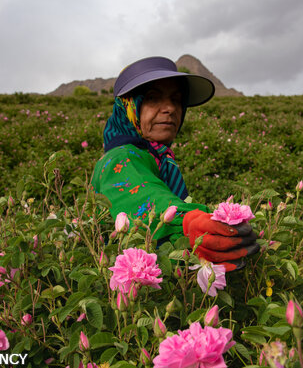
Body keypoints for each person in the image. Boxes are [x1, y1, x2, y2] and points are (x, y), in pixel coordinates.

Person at [91, 56, 259, 271]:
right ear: (129, 107)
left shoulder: (157, 157)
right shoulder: (122, 157)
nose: (170, 108)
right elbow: (141, 192)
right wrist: (188, 222)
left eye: (176, 100)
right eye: (152, 99)